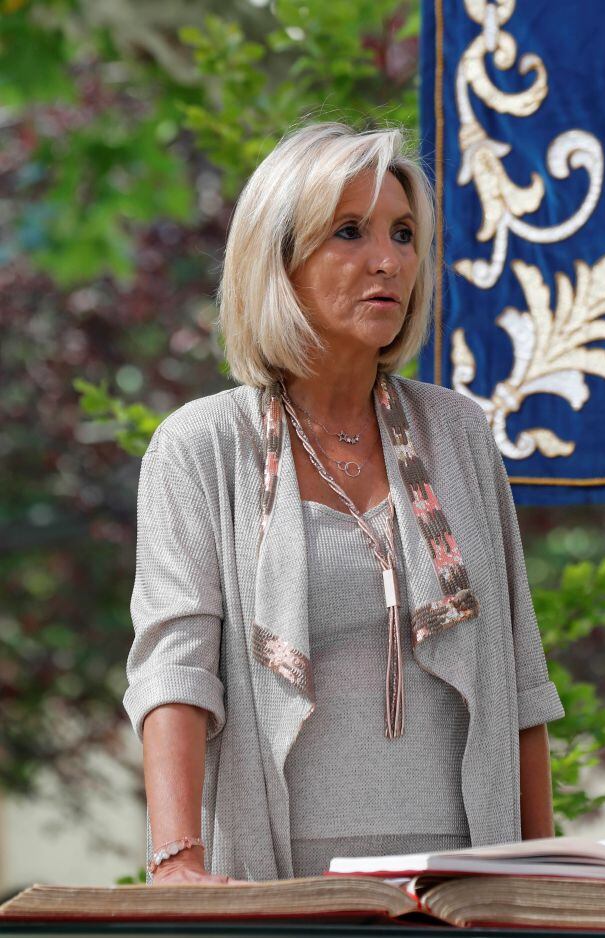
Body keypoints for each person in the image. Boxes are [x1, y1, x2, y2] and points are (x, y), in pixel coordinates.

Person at [124, 122, 565, 885]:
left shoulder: (458, 434)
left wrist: (552, 878)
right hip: (285, 886)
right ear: (279, 260)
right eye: (350, 232)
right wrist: (178, 863)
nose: (388, 259)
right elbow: (175, 672)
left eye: (403, 233)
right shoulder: (200, 445)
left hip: (464, 884)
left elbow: (520, 682)